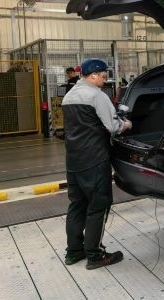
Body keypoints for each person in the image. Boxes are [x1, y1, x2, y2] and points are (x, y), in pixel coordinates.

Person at [62, 58, 132, 270]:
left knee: (77, 205)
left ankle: (74, 252)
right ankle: (95, 255)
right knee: (98, 206)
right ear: (93, 75)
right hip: (94, 160)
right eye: (102, 76)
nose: (104, 80)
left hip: (73, 160)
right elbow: (113, 126)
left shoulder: (69, 96)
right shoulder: (96, 95)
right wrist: (126, 124)